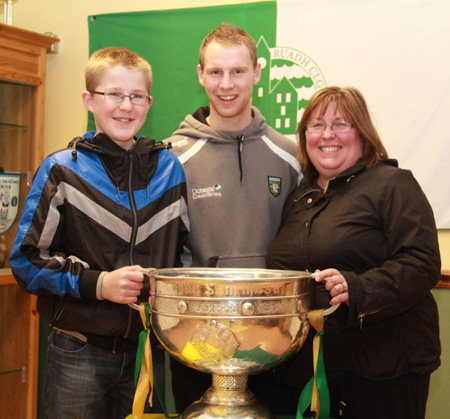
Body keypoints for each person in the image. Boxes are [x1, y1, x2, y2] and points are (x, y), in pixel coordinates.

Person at [9, 47, 189, 419]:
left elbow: (183, 257)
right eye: (113, 94)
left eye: (136, 96)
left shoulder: (170, 169)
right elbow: (25, 261)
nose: (126, 106)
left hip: (147, 353)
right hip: (79, 351)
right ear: (89, 100)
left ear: (149, 102)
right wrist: (98, 283)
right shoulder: (61, 170)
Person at [266, 86, 441, 418]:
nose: (327, 134)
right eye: (316, 125)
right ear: (304, 137)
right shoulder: (298, 198)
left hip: (383, 369)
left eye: (341, 124)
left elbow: (422, 262)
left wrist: (356, 287)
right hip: (312, 369)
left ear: (363, 133)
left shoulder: (393, 184)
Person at [164, 23, 301, 412]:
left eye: (238, 71)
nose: (227, 84)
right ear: (200, 75)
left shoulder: (290, 156)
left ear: (257, 72)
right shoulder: (171, 157)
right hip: (196, 338)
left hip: (272, 339)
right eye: (216, 71)